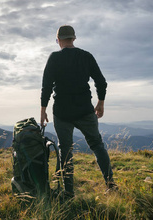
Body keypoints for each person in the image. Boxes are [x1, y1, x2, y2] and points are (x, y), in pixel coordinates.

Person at [40, 25, 117, 198]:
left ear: (58, 40)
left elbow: (46, 86)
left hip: (62, 113)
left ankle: (68, 193)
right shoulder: (86, 56)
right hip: (85, 110)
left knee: (65, 151)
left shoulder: (54, 58)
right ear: (74, 39)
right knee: (97, 145)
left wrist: (43, 109)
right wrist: (101, 103)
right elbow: (101, 82)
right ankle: (111, 185)